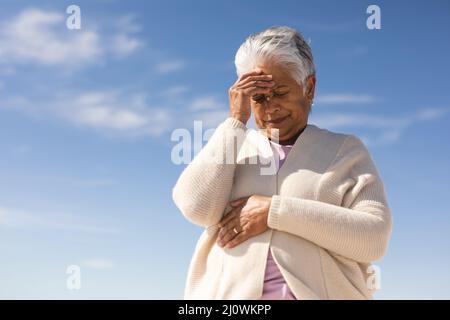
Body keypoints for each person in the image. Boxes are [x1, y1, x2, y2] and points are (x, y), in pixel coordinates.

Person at [172, 26, 393, 299]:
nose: (270, 107)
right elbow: (195, 208)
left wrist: (273, 212)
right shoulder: (233, 147)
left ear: (308, 87)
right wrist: (235, 122)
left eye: (280, 93)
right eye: (259, 98)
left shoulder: (345, 151)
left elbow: (374, 239)